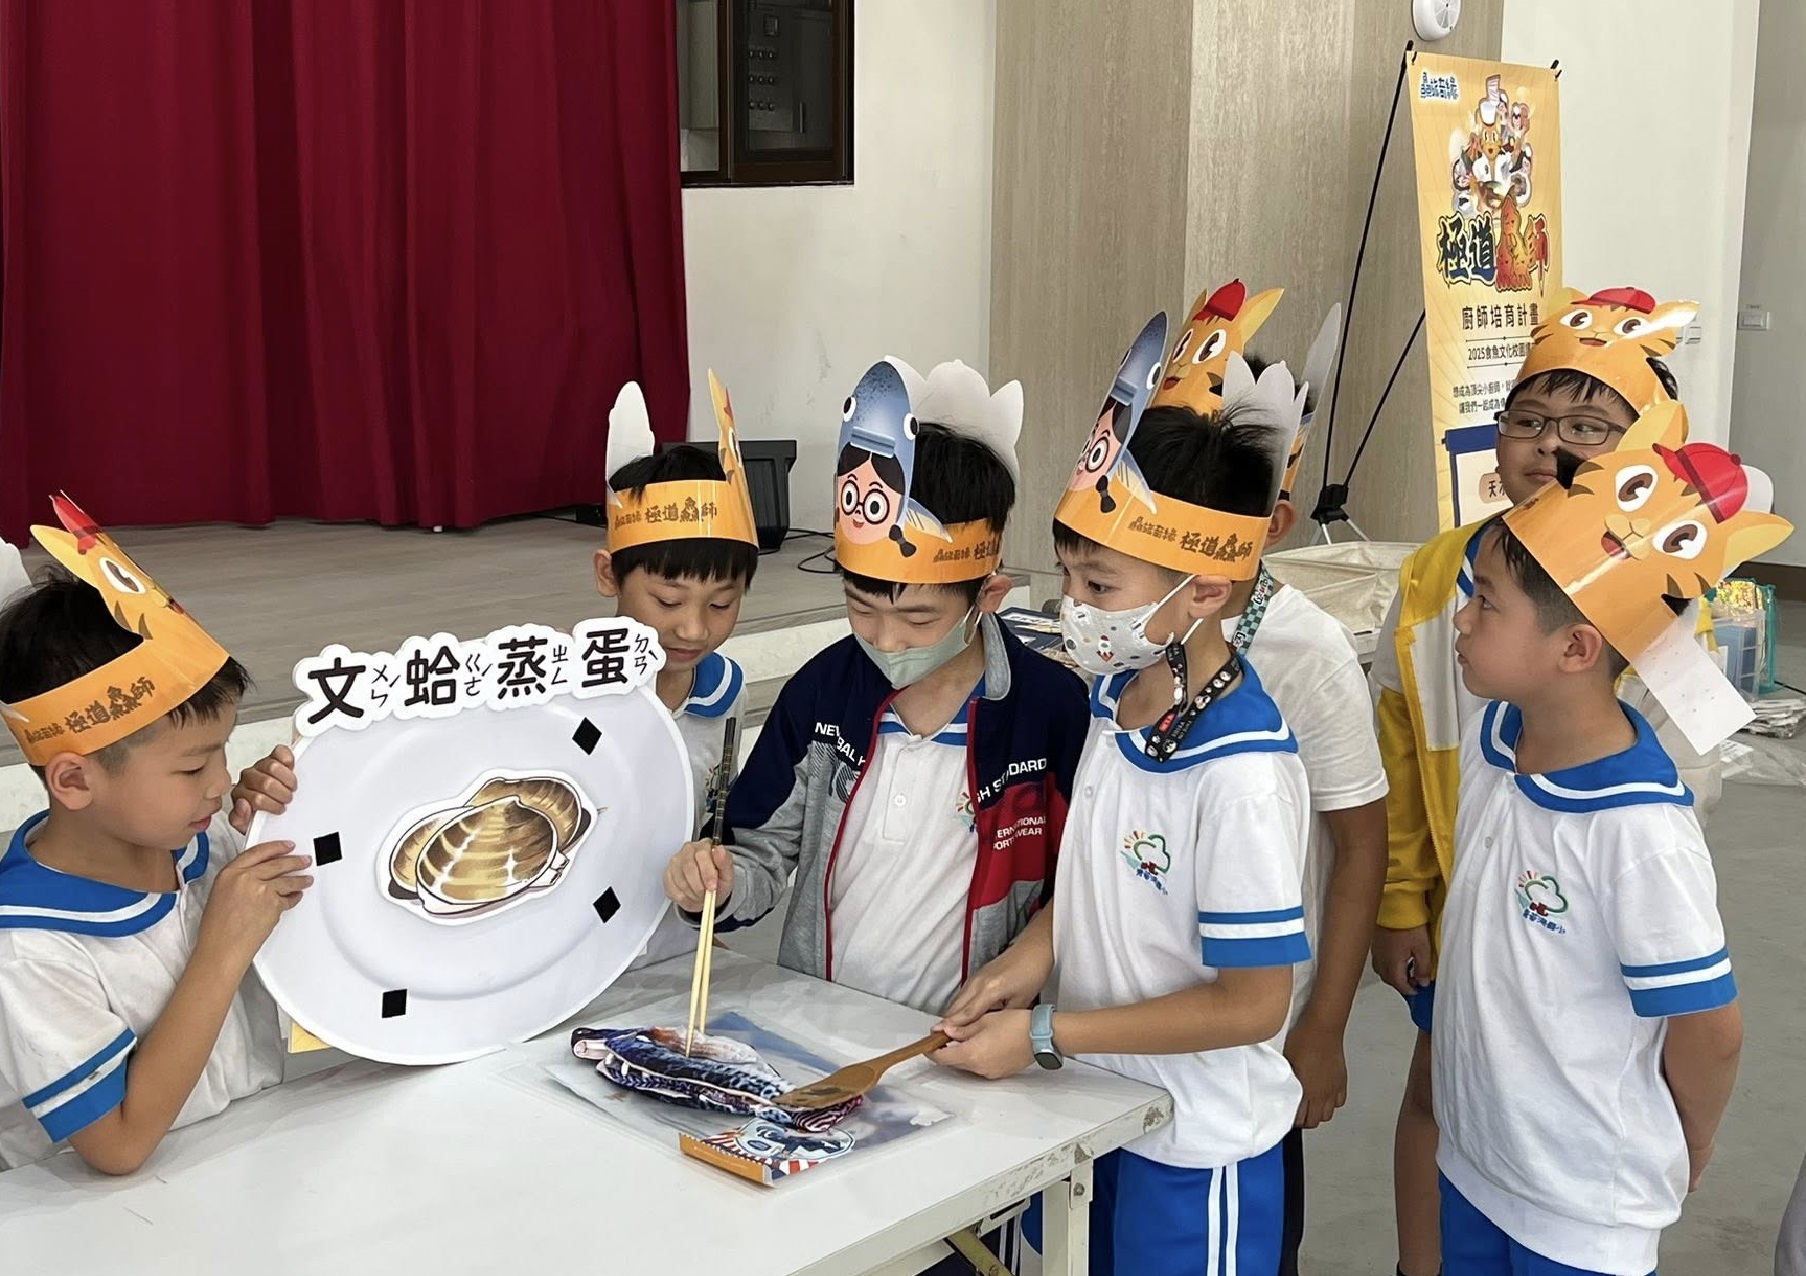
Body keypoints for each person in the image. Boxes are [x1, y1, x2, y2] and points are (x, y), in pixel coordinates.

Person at [936, 329, 1314, 1276]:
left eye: (1099, 584)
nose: (1072, 605)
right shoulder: (1118, 697)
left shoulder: (1239, 771)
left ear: (1205, 589)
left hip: (1196, 1148)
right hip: (1098, 1113)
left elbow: (1253, 1002)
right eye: (1068, 574)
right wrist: (1028, 960)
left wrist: (1046, 1032)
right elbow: (1101, 882)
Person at [1369, 287, 1705, 1276]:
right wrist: (1401, 899)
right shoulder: (1435, 576)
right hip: (1458, 900)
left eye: (1588, 427)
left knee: (1555, 1090)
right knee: (1440, 1084)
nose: (1549, 443)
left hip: (1580, 929)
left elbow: (1689, 776)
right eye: (1528, 418)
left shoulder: (1660, 598)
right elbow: (1401, 737)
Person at [1433, 411, 1787, 1274]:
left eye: (1486, 602)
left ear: (1576, 648)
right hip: (1477, 1158)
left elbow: (1709, 1026)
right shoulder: (1492, 738)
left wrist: (1688, 1141)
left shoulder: (1639, 831)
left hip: (1585, 1202)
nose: (1462, 620)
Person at [663, 357, 1089, 1018]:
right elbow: (759, 855)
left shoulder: (1046, 710)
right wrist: (717, 883)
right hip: (822, 1019)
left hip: (966, 1038)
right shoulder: (822, 695)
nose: (886, 640)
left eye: (919, 619)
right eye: (861, 608)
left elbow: (1083, 882)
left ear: (989, 594)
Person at [0, 499, 310, 1174]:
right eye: (193, 767)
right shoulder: (27, 946)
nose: (220, 782)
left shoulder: (202, 843)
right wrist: (223, 944)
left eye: (224, 750)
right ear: (74, 781)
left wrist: (286, 822)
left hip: (252, 1156)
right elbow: (117, 1146)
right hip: (97, 1215)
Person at [597, 376, 760, 969]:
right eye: (667, 601)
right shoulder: (566, 695)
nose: (693, 629)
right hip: (575, 957)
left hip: (675, 950)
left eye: (722, 604)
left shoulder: (725, 693)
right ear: (609, 575)